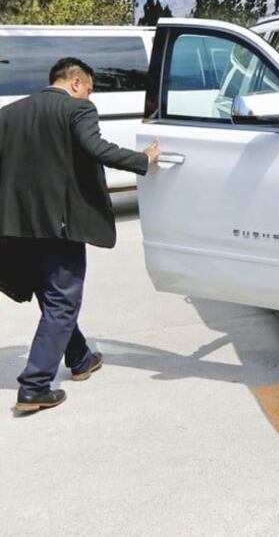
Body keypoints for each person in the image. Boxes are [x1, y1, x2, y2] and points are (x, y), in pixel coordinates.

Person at [0, 58, 161, 412]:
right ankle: (35, 385)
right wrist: (142, 160)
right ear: (75, 82)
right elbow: (96, 148)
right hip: (59, 224)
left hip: (16, 225)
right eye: (89, 88)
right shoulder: (77, 109)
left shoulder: (10, 113)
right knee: (62, 299)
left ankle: (81, 358)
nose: (89, 95)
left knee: (52, 295)